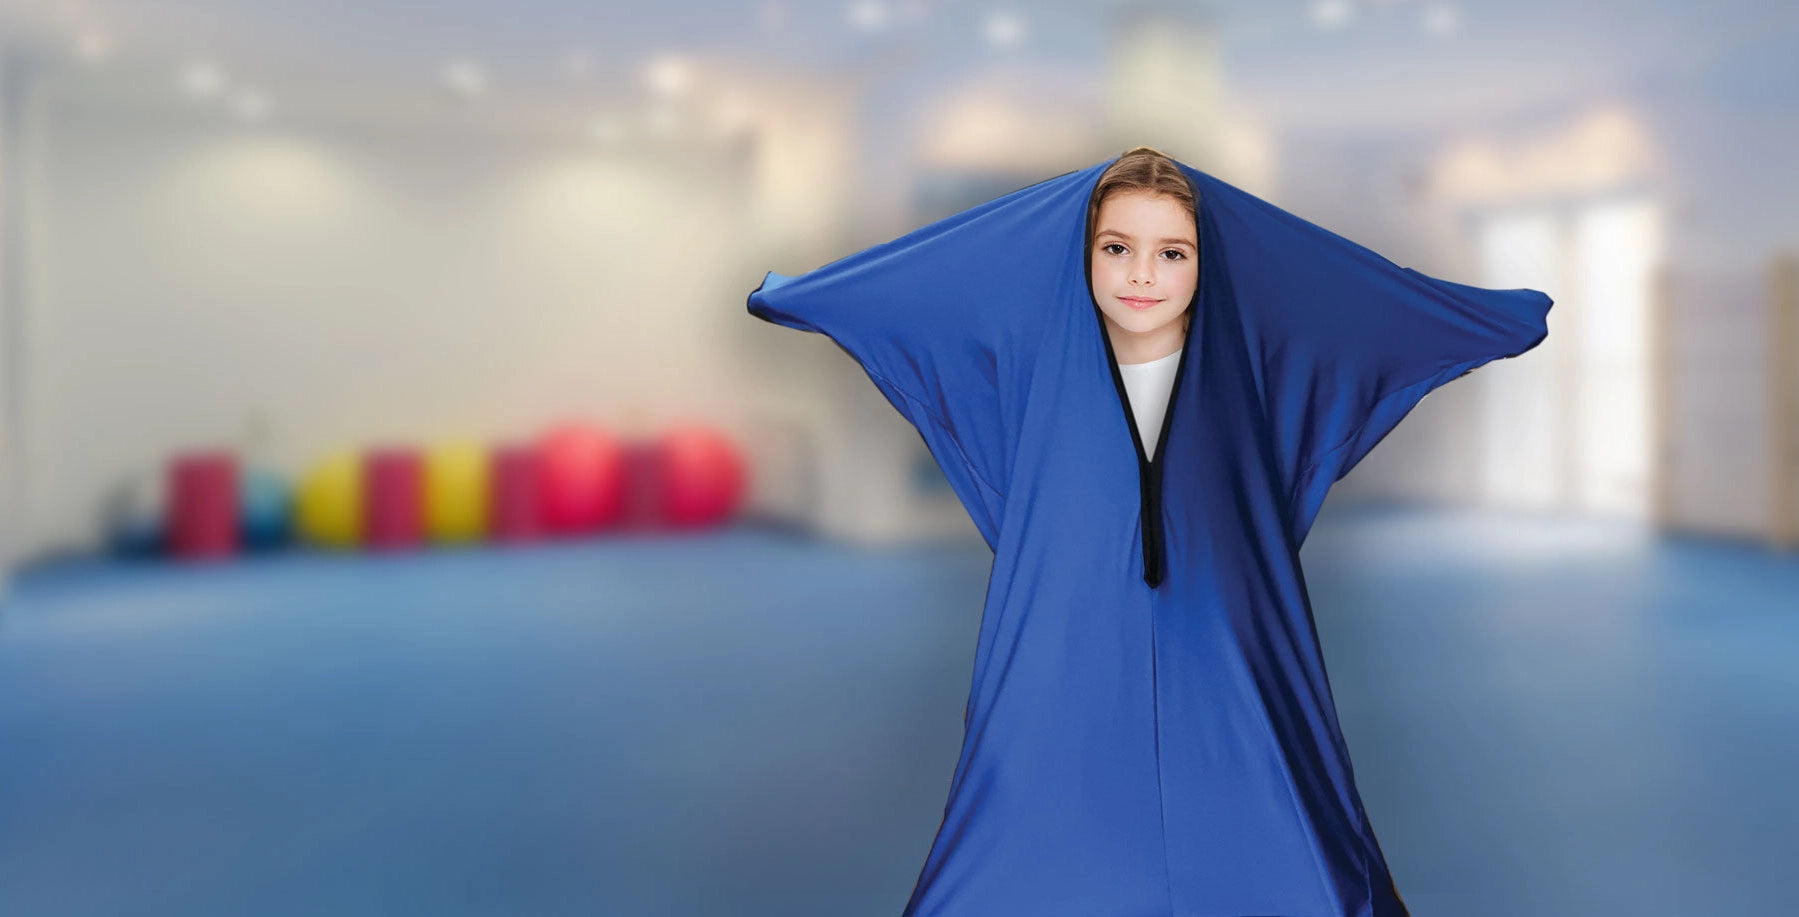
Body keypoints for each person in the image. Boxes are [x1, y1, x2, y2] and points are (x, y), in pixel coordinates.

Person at [747, 146, 1552, 916]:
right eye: (1117, 246)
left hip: (1226, 626)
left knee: (1264, 800)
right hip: (1064, 621)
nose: (1141, 273)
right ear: (1085, 253)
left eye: (1173, 252)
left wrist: (1488, 319)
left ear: (1206, 265)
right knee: (1038, 792)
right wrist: (811, 296)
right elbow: (923, 292)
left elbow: (1361, 310)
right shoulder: (1041, 365)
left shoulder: (1242, 368)